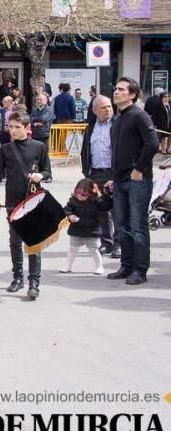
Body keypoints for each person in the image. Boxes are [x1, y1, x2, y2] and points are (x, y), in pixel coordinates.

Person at [0, 112, 52, 300]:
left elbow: (48, 172)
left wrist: (40, 176)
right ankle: (18, 277)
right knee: (15, 241)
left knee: (33, 242)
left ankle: (34, 282)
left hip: (33, 200)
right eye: (11, 126)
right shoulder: (5, 149)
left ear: (27, 128)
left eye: (17, 127)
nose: (13, 130)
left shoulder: (39, 147)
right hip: (13, 201)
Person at [106, 77, 160, 286]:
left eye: (121, 89)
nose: (116, 92)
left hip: (138, 179)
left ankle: (140, 269)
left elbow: (152, 143)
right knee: (121, 226)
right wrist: (113, 176)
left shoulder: (140, 115)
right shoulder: (119, 119)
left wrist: (139, 168)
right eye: (116, 88)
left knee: (137, 226)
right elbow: (119, 150)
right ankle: (126, 265)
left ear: (132, 94)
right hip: (119, 180)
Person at [80, 95, 118, 257]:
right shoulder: (90, 127)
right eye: (104, 107)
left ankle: (119, 244)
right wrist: (87, 172)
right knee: (101, 210)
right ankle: (106, 242)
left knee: (118, 210)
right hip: (96, 172)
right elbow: (85, 151)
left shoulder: (117, 125)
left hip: (113, 172)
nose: (108, 110)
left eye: (110, 106)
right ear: (95, 111)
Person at [61, 179, 111, 275]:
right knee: (72, 249)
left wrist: (106, 195)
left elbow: (106, 206)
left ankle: (99, 266)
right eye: (77, 193)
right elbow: (66, 209)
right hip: (76, 230)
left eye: (84, 194)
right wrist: (70, 215)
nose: (80, 196)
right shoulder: (73, 201)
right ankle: (68, 266)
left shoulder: (96, 201)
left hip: (92, 231)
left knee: (94, 250)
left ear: (91, 193)